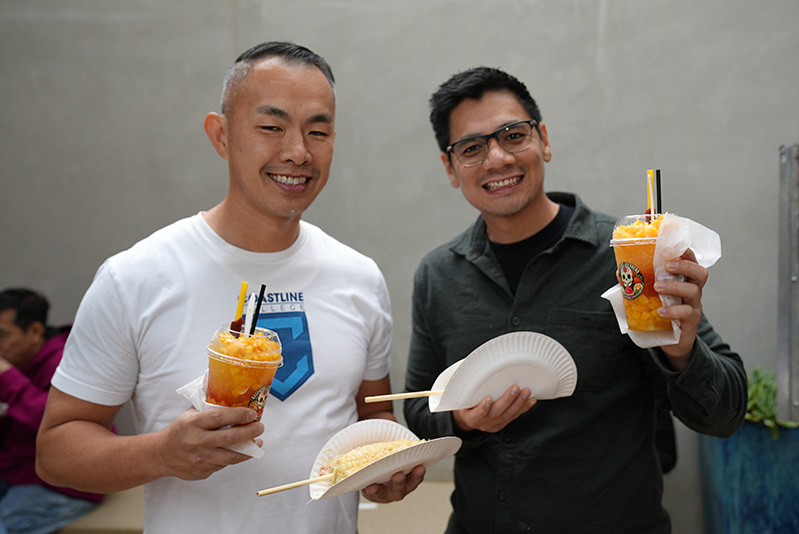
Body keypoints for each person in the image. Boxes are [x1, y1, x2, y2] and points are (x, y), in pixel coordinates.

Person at [36, 41, 423, 534]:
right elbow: (55, 453)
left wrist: (383, 471)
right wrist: (163, 453)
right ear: (220, 135)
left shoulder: (359, 277)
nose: (298, 152)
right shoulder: (135, 276)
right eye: (271, 127)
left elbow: (371, 424)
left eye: (318, 131)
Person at [403, 67, 747, 533]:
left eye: (513, 134)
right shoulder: (439, 275)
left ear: (543, 139)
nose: (498, 158)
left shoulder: (626, 255)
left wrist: (682, 349)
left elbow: (724, 414)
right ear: (450, 168)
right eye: (472, 148)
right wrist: (461, 420)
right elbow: (419, 409)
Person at [0, 288, 102, 534]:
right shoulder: (20, 361)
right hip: (16, 470)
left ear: (35, 331)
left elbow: (59, 421)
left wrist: (6, 376)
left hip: (63, 483)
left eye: (2, 335)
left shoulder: (68, 361)